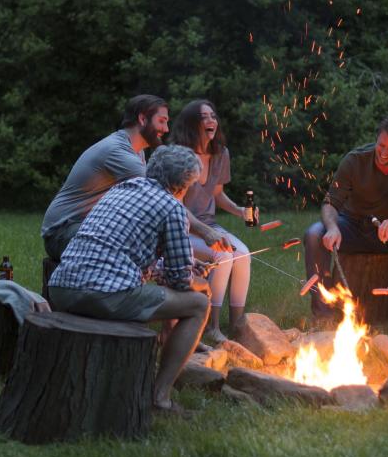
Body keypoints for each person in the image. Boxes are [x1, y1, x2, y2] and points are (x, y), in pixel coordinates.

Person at [46, 145, 211, 414]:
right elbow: (180, 281)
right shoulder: (173, 208)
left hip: (62, 288)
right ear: (182, 183)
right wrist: (199, 282)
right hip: (105, 295)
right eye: (191, 184)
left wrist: (180, 267)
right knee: (198, 305)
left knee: (182, 292)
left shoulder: (122, 190)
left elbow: (127, 254)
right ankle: (160, 398)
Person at [303, 115, 388, 334]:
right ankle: (323, 316)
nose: (383, 153)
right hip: (353, 227)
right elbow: (330, 203)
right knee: (314, 233)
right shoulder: (355, 159)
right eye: (381, 145)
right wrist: (332, 227)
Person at [41, 95, 169, 260]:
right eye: (162, 121)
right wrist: (205, 232)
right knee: (123, 249)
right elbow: (162, 198)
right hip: (64, 231)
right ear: (143, 118)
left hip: (92, 226)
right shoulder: (118, 152)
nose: (166, 129)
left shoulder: (136, 151)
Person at [167, 99, 251, 344]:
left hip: (208, 224)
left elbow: (216, 193)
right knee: (223, 256)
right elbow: (176, 206)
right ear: (192, 124)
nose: (210, 121)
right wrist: (205, 233)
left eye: (213, 116)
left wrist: (239, 210)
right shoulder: (180, 157)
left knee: (243, 254)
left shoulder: (220, 154)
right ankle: (211, 326)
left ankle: (237, 324)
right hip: (183, 227)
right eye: (204, 117)